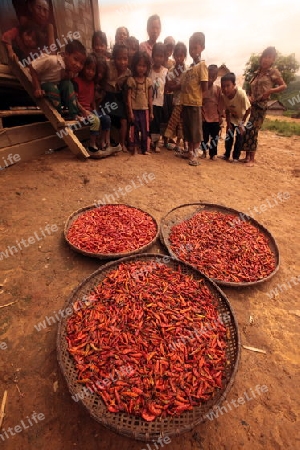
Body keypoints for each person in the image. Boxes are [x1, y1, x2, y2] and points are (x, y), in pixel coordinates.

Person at [242, 46, 287, 167]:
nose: (266, 60)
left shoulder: (273, 72)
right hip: (252, 105)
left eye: (270, 57)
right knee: (248, 129)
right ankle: (246, 156)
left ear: (273, 60)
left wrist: (270, 91)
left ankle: (252, 159)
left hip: (261, 105)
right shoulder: (256, 74)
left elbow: (283, 86)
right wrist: (250, 96)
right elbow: (251, 88)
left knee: (254, 130)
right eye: (265, 57)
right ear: (261, 58)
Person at [29, 39, 87, 120]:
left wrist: (83, 110)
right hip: (44, 84)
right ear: (66, 54)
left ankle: (74, 115)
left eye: (81, 63)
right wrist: (37, 88)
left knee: (68, 84)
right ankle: (57, 116)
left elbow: (69, 91)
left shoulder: (72, 72)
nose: (78, 65)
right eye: (75, 59)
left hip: (56, 87)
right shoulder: (52, 61)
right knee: (53, 88)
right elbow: (32, 66)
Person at [180, 32, 208, 166]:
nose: (192, 51)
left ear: (202, 47)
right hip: (186, 102)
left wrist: (201, 102)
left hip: (195, 103)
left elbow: (204, 86)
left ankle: (195, 154)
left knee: (196, 131)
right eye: (190, 48)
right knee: (188, 129)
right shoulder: (189, 68)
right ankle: (189, 151)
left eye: (195, 48)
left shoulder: (202, 65)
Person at [72, 54, 101, 156]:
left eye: (93, 70)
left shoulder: (92, 84)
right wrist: (83, 111)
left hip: (89, 110)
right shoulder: (76, 81)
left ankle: (103, 142)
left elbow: (92, 100)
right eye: (88, 69)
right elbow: (74, 99)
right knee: (96, 120)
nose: (90, 72)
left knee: (105, 118)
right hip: (79, 111)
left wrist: (95, 110)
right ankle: (91, 145)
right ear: (83, 68)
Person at [220, 72, 251, 162]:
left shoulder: (241, 94)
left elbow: (248, 109)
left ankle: (236, 157)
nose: (225, 89)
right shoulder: (224, 96)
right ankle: (226, 155)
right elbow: (227, 110)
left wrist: (242, 124)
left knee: (239, 137)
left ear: (234, 85)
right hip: (233, 117)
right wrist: (228, 124)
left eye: (228, 86)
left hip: (243, 117)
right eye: (223, 86)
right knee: (229, 135)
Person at [106, 44, 131, 152]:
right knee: (105, 118)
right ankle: (105, 141)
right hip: (106, 96)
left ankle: (122, 143)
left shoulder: (128, 73)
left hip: (118, 98)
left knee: (124, 120)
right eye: (119, 59)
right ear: (114, 58)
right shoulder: (108, 67)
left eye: (125, 59)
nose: (122, 62)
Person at [127, 51, 153, 155]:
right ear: (134, 65)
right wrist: (130, 112)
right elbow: (128, 97)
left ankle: (145, 149)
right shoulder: (131, 80)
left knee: (145, 130)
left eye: (144, 66)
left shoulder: (148, 81)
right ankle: (135, 147)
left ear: (147, 67)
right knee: (134, 130)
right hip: (134, 109)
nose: (141, 68)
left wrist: (151, 112)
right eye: (139, 65)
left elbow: (150, 98)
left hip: (145, 110)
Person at [164, 42, 187, 152]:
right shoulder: (172, 71)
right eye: (177, 55)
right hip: (175, 100)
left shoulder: (188, 71)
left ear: (184, 56)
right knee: (175, 121)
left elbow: (187, 86)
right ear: (174, 56)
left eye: (181, 55)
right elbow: (169, 86)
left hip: (186, 101)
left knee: (182, 122)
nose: (179, 58)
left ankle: (178, 142)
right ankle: (169, 140)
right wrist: (179, 86)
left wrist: (176, 85)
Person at [201, 65, 224, 160]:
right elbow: (200, 102)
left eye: (213, 76)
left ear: (216, 77)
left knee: (214, 138)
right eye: (209, 76)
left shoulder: (218, 89)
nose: (211, 78)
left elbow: (220, 103)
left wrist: (220, 116)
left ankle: (213, 154)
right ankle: (203, 152)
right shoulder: (202, 89)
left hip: (215, 118)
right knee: (204, 137)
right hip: (204, 117)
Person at [149, 43, 168, 153]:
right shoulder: (149, 70)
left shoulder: (165, 71)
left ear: (164, 57)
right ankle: (149, 141)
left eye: (161, 56)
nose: (158, 58)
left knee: (157, 123)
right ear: (153, 55)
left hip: (160, 101)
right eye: (156, 55)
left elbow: (167, 86)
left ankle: (156, 143)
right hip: (150, 101)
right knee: (150, 122)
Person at [95, 57, 113, 151]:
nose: (99, 75)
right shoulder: (91, 84)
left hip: (98, 109)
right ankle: (100, 141)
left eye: (102, 73)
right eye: (97, 72)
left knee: (106, 117)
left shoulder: (103, 87)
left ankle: (104, 140)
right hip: (90, 109)